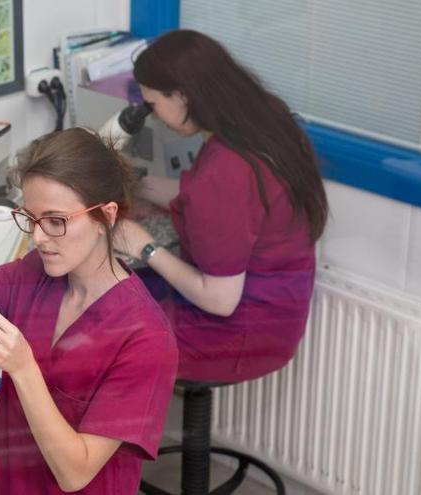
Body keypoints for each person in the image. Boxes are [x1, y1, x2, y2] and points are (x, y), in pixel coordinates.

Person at [0, 128, 178, 494]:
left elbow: (75, 473)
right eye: (31, 219)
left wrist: (23, 368)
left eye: (55, 221)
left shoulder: (146, 339)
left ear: (107, 217)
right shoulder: (35, 274)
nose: (40, 237)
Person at [115, 29, 329, 382]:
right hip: (277, 311)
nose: (151, 116)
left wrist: (141, 243)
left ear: (182, 96)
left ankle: (97, 437)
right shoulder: (260, 121)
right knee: (117, 296)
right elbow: (204, 195)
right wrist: (133, 185)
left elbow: (219, 300)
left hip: (236, 332)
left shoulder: (227, 170)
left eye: (152, 105)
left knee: (97, 330)